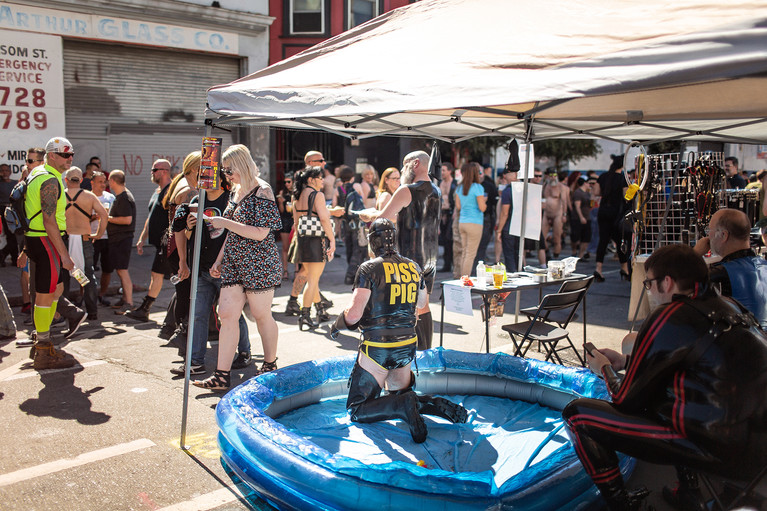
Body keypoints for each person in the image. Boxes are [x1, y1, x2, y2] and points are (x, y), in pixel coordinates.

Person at [563, 244, 767, 511]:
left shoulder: (671, 314)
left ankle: (621, 504)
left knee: (577, 415)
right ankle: (689, 493)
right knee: (671, 391)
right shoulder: (731, 306)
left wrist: (603, 368)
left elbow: (624, 399)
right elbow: (697, 366)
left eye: (648, 284)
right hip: (757, 448)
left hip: (721, 450)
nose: (650, 292)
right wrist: (625, 361)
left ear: (667, 282)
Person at [330, 219, 467, 443]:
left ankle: (403, 405)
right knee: (399, 393)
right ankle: (427, 402)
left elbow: (353, 315)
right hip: (406, 347)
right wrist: (421, 280)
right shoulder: (413, 266)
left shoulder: (368, 268)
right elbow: (422, 305)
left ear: (373, 241)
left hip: (378, 347)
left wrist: (338, 323)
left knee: (357, 408)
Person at [193, 144, 282, 390]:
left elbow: (261, 233)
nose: (226, 175)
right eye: (224, 171)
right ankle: (222, 375)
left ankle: (269, 364)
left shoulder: (263, 191)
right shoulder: (235, 190)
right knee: (227, 314)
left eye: (229, 170)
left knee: (261, 315)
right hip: (234, 262)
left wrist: (225, 223)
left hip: (259, 263)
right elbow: (232, 233)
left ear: (242, 164)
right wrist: (219, 259)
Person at [170, 168, 252, 376]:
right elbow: (178, 230)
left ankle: (244, 352)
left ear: (222, 179)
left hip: (228, 269)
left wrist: (228, 262)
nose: (209, 181)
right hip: (202, 268)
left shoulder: (232, 201)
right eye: (204, 178)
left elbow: (242, 232)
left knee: (232, 315)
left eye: (214, 176)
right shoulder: (194, 203)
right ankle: (196, 362)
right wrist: (185, 253)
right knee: (198, 314)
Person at [359, 150, 441, 350]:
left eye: (404, 165)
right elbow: (410, 216)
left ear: (415, 164)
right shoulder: (436, 190)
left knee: (406, 305)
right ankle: (425, 352)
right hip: (430, 255)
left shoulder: (407, 190)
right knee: (423, 306)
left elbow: (383, 219)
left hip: (409, 254)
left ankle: (407, 351)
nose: (403, 170)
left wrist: (370, 215)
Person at [24, 137, 78, 369]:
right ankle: (43, 348)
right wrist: (64, 255)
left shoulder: (37, 173)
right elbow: (49, 220)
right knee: (45, 295)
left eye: (71, 154)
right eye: (65, 155)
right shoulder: (49, 180)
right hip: (46, 240)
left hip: (36, 239)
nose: (70, 159)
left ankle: (41, 340)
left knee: (56, 289)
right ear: (52, 155)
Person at [284, 151, 338, 318]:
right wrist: (332, 239)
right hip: (315, 240)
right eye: (320, 177)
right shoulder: (317, 195)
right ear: (311, 178)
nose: (322, 180)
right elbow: (323, 218)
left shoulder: (297, 194)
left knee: (308, 275)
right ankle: (306, 314)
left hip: (300, 237)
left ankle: (318, 309)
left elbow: (296, 220)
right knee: (312, 279)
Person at [692, 208, 767, 328]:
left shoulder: (720, 274)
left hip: (744, 343)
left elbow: (676, 286)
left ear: (723, 235)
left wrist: (694, 254)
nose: (708, 236)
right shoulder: (764, 265)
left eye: (709, 230)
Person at [124, 159, 172, 321]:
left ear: (164, 171)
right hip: (158, 243)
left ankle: (145, 309)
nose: (152, 173)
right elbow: (150, 218)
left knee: (157, 274)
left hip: (168, 243)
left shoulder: (170, 191)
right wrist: (141, 238)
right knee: (162, 275)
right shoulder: (158, 191)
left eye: (154, 170)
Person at [63, 167, 107, 321]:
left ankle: (66, 313)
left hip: (65, 241)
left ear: (66, 180)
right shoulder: (88, 196)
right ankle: (92, 312)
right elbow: (104, 215)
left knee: (65, 276)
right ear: (81, 180)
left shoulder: (60, 196)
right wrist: (99, 235)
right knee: (86, 275)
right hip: (85, 239)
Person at [594, 154, 630, 282]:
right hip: (616, 214)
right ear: (622, 166)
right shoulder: (622, 179)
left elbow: (596, 193)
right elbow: (626, 196)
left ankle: (598, 269)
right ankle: (624, 268)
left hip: (603, 211)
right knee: (620, 240)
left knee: (603, 240)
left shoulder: (603, 176)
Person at [106, 170, 136, 312]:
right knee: (120, 270)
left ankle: (128, 302)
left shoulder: (124, 197)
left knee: (123, 271)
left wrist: (108, 218)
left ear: (112, 181)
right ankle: (124, 298)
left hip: (122, 239)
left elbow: (127, 219)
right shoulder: (121, 196)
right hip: (118, 239)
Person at [455, 162, 487, 277]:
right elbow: (482, 208)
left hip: (462, 222)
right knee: (470, 254)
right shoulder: (478, 188)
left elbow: (458, 207)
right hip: (475, 222)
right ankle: (465, 279)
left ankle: (461, 277)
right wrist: (485, 201)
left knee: (464, 252)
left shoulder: (459, 188)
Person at [90, 171, 115, 306]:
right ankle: (85, 296)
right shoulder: (86, 197)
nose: (103, 184)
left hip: (107, 237)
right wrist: (95, 217)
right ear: (92, 182)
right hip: (91, 237)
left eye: (104, 181)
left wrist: (108, 217)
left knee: (107, 268)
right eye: (100, 181)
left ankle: (102, 294)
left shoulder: (110, 197)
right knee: (88, 268)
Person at [474, 165, 498, 268]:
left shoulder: (489, 185)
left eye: (481, 173)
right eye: (477, 173)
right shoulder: (471, 186)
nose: (479, 175)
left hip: (486, 217)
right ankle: (475, 267)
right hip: (473, 219)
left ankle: (479, 265)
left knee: (483, 244)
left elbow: (495, 202)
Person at [542, 168, 567, 258]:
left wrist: (564, 214)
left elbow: (564, 201)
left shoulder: (561, 187)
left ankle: (556, 256)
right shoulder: (545, 185)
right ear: (548, 176)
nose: (553, 177)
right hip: (546, 214)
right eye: (551, 175)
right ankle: (547, 252)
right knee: (542, 237)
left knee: (557, 238)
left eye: (554, 176)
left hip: (557, 214)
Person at [276, 172, 294, 281]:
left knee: (296, 247)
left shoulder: (296, 193)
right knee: (285, 248)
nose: (287, 184)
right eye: (285, 182)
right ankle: (285, 270)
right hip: (286, 221)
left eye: (289, 181)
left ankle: (297, 269)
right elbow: (282, 211)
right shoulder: (282, 193)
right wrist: (281, 202)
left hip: (294, 220)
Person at [437, 162, 455, 273]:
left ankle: (451, 263)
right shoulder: (440, 183)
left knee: (450, 239)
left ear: (449, 171)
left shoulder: (455, 183)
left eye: (444, 170)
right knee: (443, 240)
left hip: (451, 213)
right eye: (441, 170)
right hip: (442, 213)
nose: (442, 173)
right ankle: (446, 264)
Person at [0, 162, 18, 266]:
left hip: (14, 211)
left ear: (10, 172)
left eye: (6, 170)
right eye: (2, 170)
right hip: (3, 210)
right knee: (10, 235)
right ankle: (13, 258)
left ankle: (5, 255)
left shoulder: (15, 183)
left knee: (15, 235)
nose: (5, 172)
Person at [570, 177, 592, 260]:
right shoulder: (578, 193)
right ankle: (574, 251)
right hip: (577, 218)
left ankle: (580, 255)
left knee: (586, 238)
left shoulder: (588, 193)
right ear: (584, 183)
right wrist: (581, 217)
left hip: (587, 217)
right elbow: (577, 206)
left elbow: (590, 205)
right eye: (588, 182)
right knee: (575, 237)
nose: (589, 184)